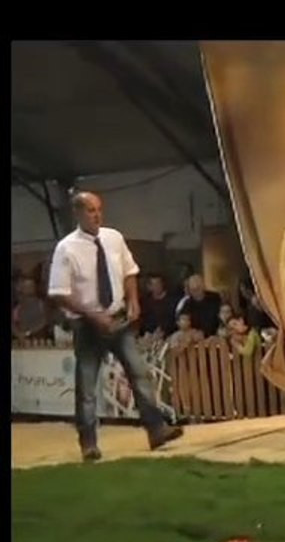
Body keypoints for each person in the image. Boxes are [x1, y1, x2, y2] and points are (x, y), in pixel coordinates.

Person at [46, 190, 184, 462]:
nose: (97, 215)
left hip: (117, 317)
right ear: (78, 213)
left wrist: (133, 300)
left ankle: (156, 430)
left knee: (139, 373)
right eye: (90, 210)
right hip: (86, 323)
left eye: (99, 209)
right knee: (87, 384)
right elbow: (58, 291)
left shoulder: (113, 238)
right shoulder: (66, 247)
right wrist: (92, 315)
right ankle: (88, 442)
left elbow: (129, 271)